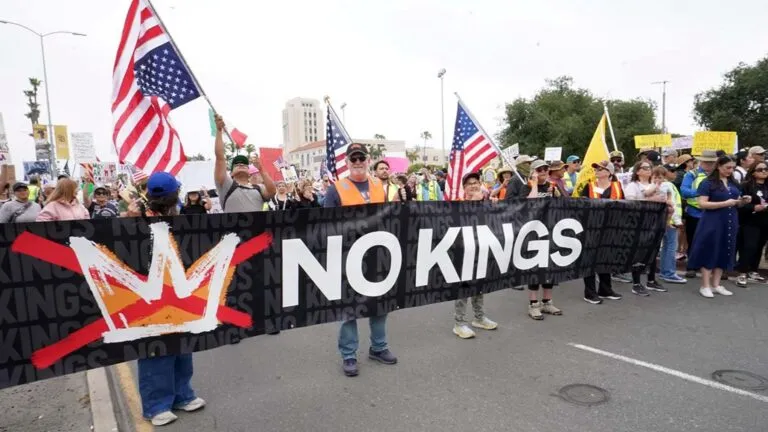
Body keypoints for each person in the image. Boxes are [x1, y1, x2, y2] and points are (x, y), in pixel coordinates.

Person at [133, 172, 206, 426]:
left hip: (179, 290)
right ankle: (156, 405)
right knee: (156, 348)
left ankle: (182, 394)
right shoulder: (138, 220)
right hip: (150, 293)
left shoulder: (179, 217)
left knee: (182, 345)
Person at [323, 143, 397, 376]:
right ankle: (349, 355)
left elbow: (387, 217)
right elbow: (326, 224)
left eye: (361, 158)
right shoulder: (336, 189)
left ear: (367, 160)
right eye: (353, 159)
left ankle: (379, 347)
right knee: (348, 308)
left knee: (380, 304)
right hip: (348, 256)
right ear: (347, 162)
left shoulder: (378, 185)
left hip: (376, 253)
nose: (357, 162)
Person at [688, 156, 749, 298]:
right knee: (710, 249)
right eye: (727, 167)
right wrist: (724, 203)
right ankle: (705, 285)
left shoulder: (734, 182)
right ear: (718, 166)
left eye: (733, 167)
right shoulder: (707, 182)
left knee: (725, 249)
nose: (730, 170)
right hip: (712, 220)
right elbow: (702, 204)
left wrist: (742, 201)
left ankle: (716, 284)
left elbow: (734, 202)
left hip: (730, 220)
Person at [452, 171, 498, 338]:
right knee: (463, 288)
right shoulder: (457, 204)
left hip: (481, 249)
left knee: (479, 285)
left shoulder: (487, 203)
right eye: (469, 183)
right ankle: (459, 323)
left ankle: (479, 318)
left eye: (475, 182)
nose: (473, 185)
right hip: (463, 250)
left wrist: (493, 204)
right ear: (464, 188)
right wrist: (473, 202)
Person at [519, 160, 563, 319]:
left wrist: (557, 194)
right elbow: (530, 203)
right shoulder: (527, 187)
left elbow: (565, 204)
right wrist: (535, 183)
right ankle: (533, 305)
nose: (543, 171)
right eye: (539, 169)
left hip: (550, 231)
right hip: (533, 233)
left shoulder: (553, 187)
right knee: (535, 269)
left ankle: (547, 302)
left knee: (549, 269)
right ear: (533, 172)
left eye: (545, 169)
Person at [579, 161, 623, 304]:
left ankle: (605, 289)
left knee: (606, 258)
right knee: (590, 259)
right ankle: (589, 292)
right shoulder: (589, 186)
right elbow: (581, 205)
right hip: (592, 227)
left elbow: (625, 206)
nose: (597, 170)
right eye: (596, 168)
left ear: (609, 172)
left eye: (601, 168)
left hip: (611, 227)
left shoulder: (617, 186)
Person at [213, 114, 276, 213]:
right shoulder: (226, 185)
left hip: (256, 229)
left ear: (249, 172)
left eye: (244, 164)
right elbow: (220, 158)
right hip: (233, 229)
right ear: (231, 173)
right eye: (237, 164)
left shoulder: (259, 188)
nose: (241, 164)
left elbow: (272, 191)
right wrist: (219, 131)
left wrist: (262, 170)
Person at [623, 161, 669, 296]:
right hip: (639, 223)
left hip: (655, 222)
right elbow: (631, 204)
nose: (648, 170)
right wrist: (651, 200)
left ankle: (651, 280)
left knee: (653, 251)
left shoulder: (654, 185)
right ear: (637, 171)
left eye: (650, 168)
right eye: (645, 168)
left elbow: (663, 199)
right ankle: (636, 283)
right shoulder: (632, 186)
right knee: (638, 252)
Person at [681, 150, 718, 278]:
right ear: (701, 161)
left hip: (714, 212)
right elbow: (684, 191)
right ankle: (691, 266)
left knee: (711, 241)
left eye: (712, 162)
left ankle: (709, 266)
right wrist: (701, 192)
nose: (709, 164)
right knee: (693, 240)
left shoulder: (719, 175)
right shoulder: (692, 174)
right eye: (706, 162)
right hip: (694, 212)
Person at [735, 161, 768, 287]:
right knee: (750, 246)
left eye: (766, 169)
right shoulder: (746, 186)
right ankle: (742, 272)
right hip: (750, 221)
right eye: (760, 169)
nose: (764, 171)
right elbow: (740, 204)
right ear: (753, 172)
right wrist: (754, 207)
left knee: (760, 246)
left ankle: (753, 270)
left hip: (765, 220)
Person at [655, 166, 687, 284]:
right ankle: (668, 272)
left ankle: (665, 271)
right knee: (670, 246)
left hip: (669, 220)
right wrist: (672, 221)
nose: (675, 173)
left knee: (667, 247)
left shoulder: (666, 185)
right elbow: (669, 205)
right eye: (673, 171)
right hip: (669, 221)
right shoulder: (666, 185)